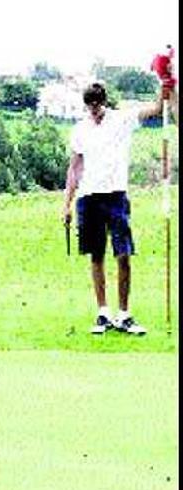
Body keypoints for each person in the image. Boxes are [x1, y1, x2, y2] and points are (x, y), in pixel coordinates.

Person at [61, 73, 177, 335]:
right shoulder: (80, 129)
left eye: (97, 105)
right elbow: (74, 168)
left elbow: (157, 109)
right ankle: (103, 313)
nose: (94, 111)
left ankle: (124, 315)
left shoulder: (121, 119)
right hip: (88, 197)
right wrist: (66, 204)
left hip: (116, 196)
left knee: (123, 254)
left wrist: (165, 83)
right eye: (90, 106)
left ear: (104, 102)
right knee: (96, 255)